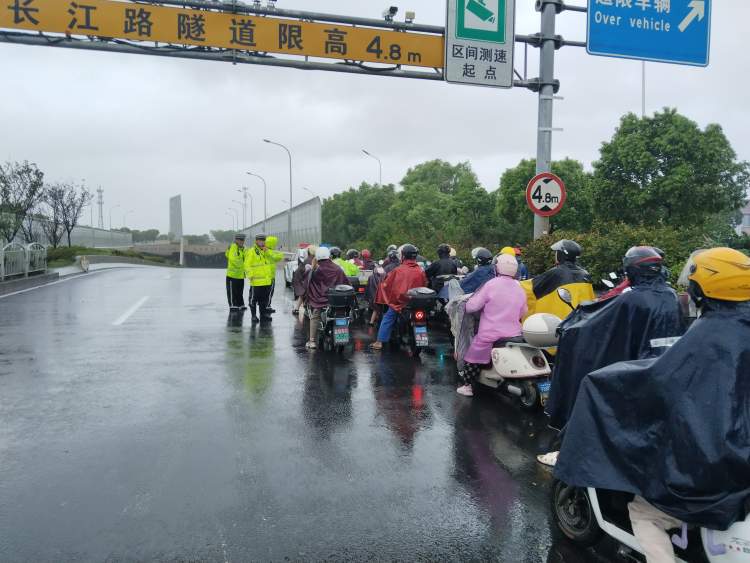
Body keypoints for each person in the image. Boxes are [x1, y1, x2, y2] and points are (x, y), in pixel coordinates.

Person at [553, 248, 750, 562]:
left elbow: (662, 378)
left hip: (715, 465)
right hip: (736, 447)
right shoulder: (717, 321)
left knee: (644, 513)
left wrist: (606, 378)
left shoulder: (711, 333)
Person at [538, 246, 685, 466]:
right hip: (665, 368)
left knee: (589, 388)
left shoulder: (633, 299)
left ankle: (570, 451)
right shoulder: (671, 295)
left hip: (636, 369)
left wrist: (569, 328)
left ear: (632, 270)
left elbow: (595, 325)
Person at [456, 254, 528, 397]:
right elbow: (523, 311)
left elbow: (472, 306)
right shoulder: (519, 287)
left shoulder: (491, 284)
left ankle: (467, 386)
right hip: (514, 333)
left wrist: (467, 304)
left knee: (473, 355)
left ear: (496, 268)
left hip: (490, 333)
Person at [371, 244, 428, 351]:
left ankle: (379, 342)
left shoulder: (398, 270)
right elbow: (425, 284)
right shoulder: (420, 270)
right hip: (417, 302)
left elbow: (387, 284)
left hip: (400, 303)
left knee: (388, 317)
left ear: (403, 256)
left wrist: (382, 287)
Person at [521, 239, 595, 319]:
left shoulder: (556, 273)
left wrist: (513, 283)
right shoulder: (585, 274)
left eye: (557, 252)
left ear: (561, 254)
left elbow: (529, 288)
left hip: (559, 321)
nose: (555, 255)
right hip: (578, 321)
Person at [303, 246, 348, 350]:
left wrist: (312, 268)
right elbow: (345, 282)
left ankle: (312, 341)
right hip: (338, 299)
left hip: (321, 299)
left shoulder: (317, 270)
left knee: (315, 315)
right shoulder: (338, 268)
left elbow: (309, 282)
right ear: (329, 256)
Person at [245, 233, 283, 323]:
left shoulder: (267, 251)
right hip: (256, 281)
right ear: (256, 241)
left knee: (264, 300)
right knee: (253, 299)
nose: (262, 242)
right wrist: (250, 275)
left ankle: (263, 315)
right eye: (260, 241)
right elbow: (247, 264)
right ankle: (253, 315)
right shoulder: (252, 251)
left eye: (263, 241)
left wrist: (268, 252)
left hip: (266, 281)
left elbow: (277, 257)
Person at [225, 233, 247, 311]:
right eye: (240, 240)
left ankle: (240, 304)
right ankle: (233, 304)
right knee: (232, 291)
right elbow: (234, 260)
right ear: (236, 240)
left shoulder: (243, 249)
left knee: (240, 291)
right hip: (232, 275)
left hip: (240, 275)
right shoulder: (233, 247)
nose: (242, 241)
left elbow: (247, 258)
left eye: (243, 240)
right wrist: (244, 264)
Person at [292, 245, 316, 315]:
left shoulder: (308, 260)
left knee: (302, 294)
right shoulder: (312, 260)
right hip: (306, 281)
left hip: (304, 280)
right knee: (304, 293)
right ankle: (298, 308)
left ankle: (297, 308)